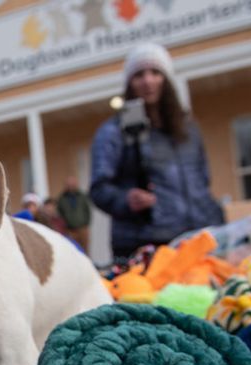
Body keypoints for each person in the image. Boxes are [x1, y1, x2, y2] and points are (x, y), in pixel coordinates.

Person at [89, 43, 223, 260]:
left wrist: (213, 218)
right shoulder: (114, 132)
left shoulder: (188, 129)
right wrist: (125, 200)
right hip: (145, 245)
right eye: (139, 75)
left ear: (167, 79)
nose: (148, 81)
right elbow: (99, 189)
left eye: (155, 72)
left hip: (197, 238)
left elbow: (203, 180)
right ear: (129, 84)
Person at [57, 176, 92, 252]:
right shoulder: (62, 198)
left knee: (85, 251)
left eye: (72, 184)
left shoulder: (82, 196)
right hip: (70, 230)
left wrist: (86, 224)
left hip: (82, 228)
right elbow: (60, 213)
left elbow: (87, 210)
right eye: (68, 184)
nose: (71, 186)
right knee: (74, 250)